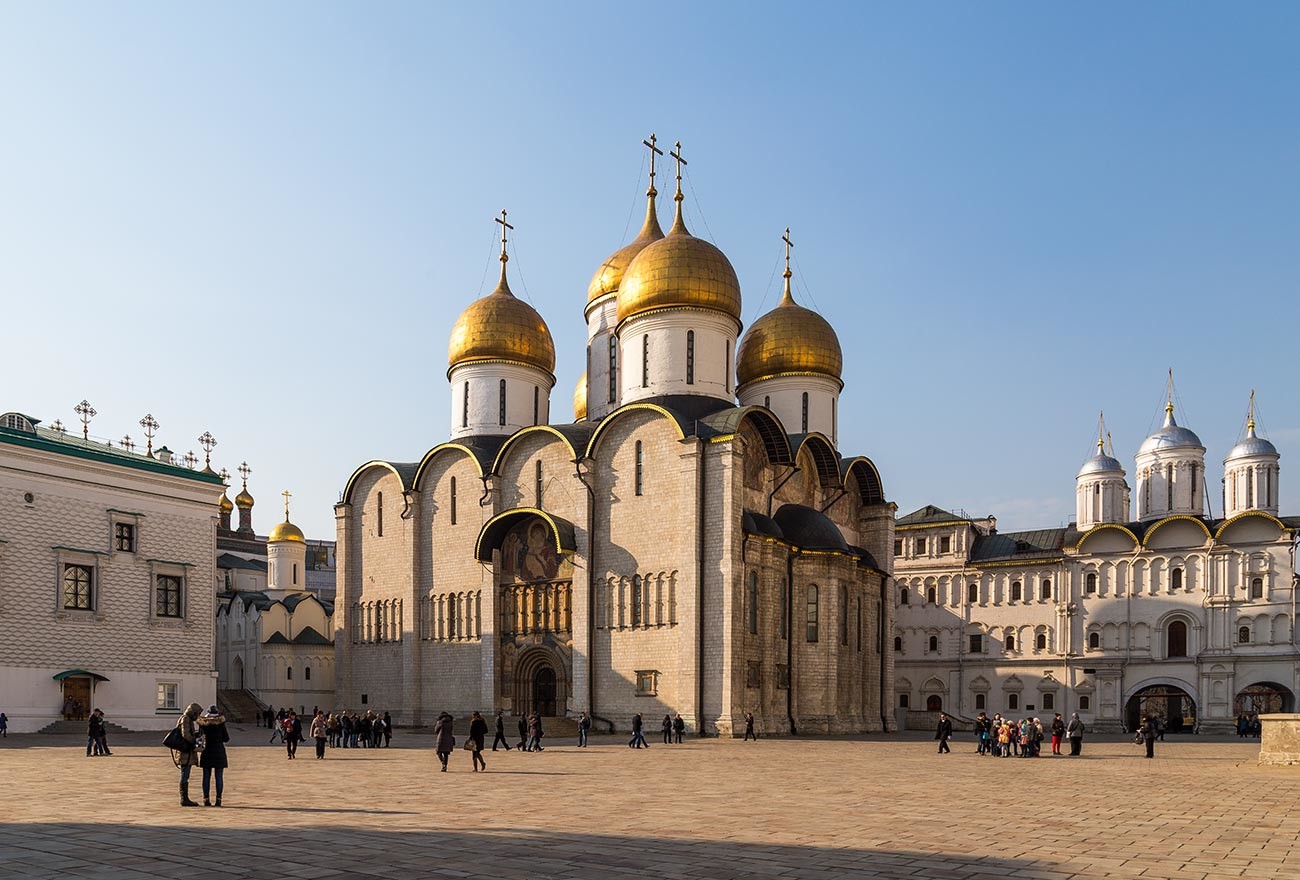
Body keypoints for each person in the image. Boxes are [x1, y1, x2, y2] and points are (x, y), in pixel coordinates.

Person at [171, 703, 203, 807]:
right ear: (192, 712)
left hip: (186, 752)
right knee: (185, 774)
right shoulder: (185, 719)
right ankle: (184, 798)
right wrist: (194, 741)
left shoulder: (187, 719)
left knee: (186, 774)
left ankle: (185, 798)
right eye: (197, 714)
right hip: (185, 752)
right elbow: (186, 735)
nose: (197, 716)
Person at [198, 706, 229, 807]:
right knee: (219, 777)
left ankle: (206, 799)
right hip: (219, 752)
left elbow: (199, 736)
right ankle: (218, 800)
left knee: (206, 777)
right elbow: (226, 738)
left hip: (206, 752)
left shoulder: (203, 724)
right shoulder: (221, 723)